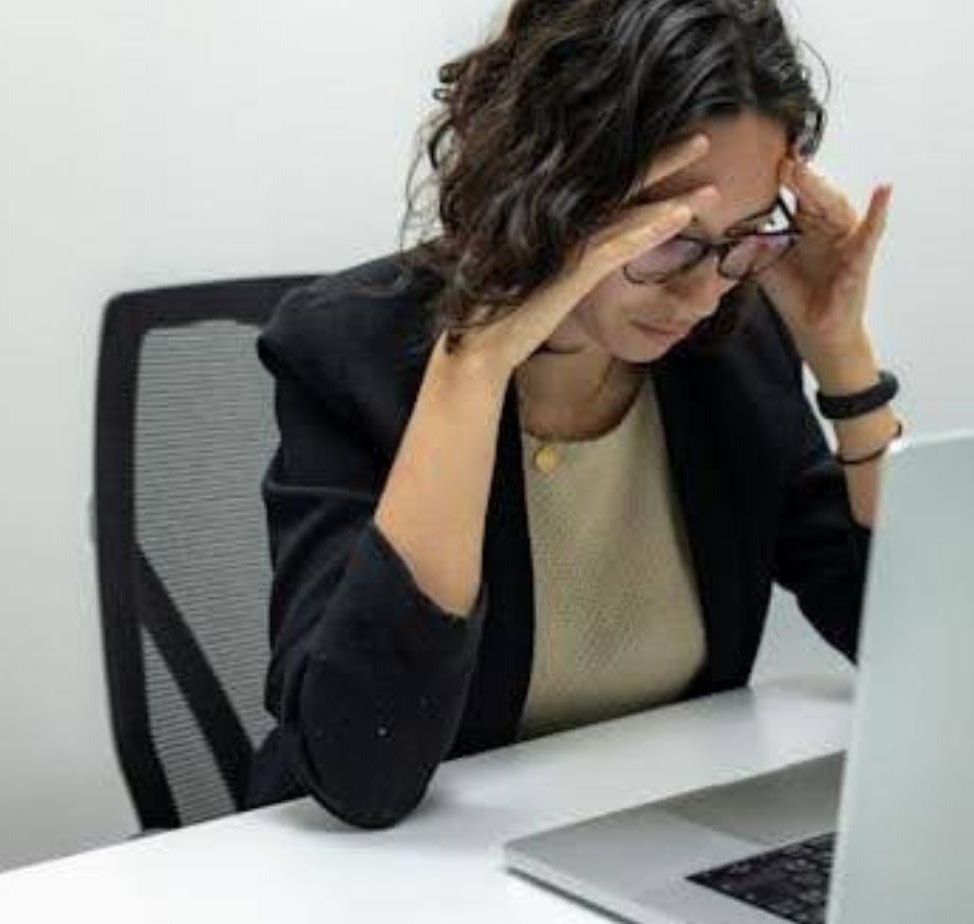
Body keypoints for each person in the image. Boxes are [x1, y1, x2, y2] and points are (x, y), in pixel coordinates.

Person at [244, 0, 901, 829]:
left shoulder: (727, 351)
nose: (704, 291)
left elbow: (912, 648)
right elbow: (361, 772)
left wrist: (841, 355)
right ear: (551, 187)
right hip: (386, 881)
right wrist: (475, 365)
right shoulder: (350, 353)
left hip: (638, 844)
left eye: (743, 235)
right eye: (667, 237)